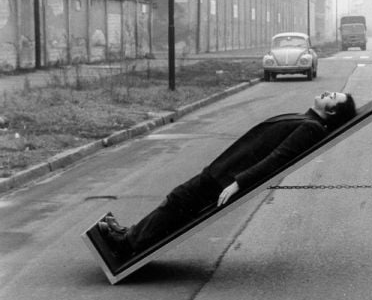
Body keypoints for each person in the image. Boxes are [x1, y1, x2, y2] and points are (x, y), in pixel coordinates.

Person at [98, 91, 357, 261]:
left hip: (229, 176)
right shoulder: (307, 119)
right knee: (178, 201)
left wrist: (239, 183)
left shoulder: (310, 128)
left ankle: (127, 243)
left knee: (178, 201)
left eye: (332, 96)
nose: (327, 93)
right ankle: (131, 235)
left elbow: (278, 158)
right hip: (227, 168)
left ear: (332, 111)